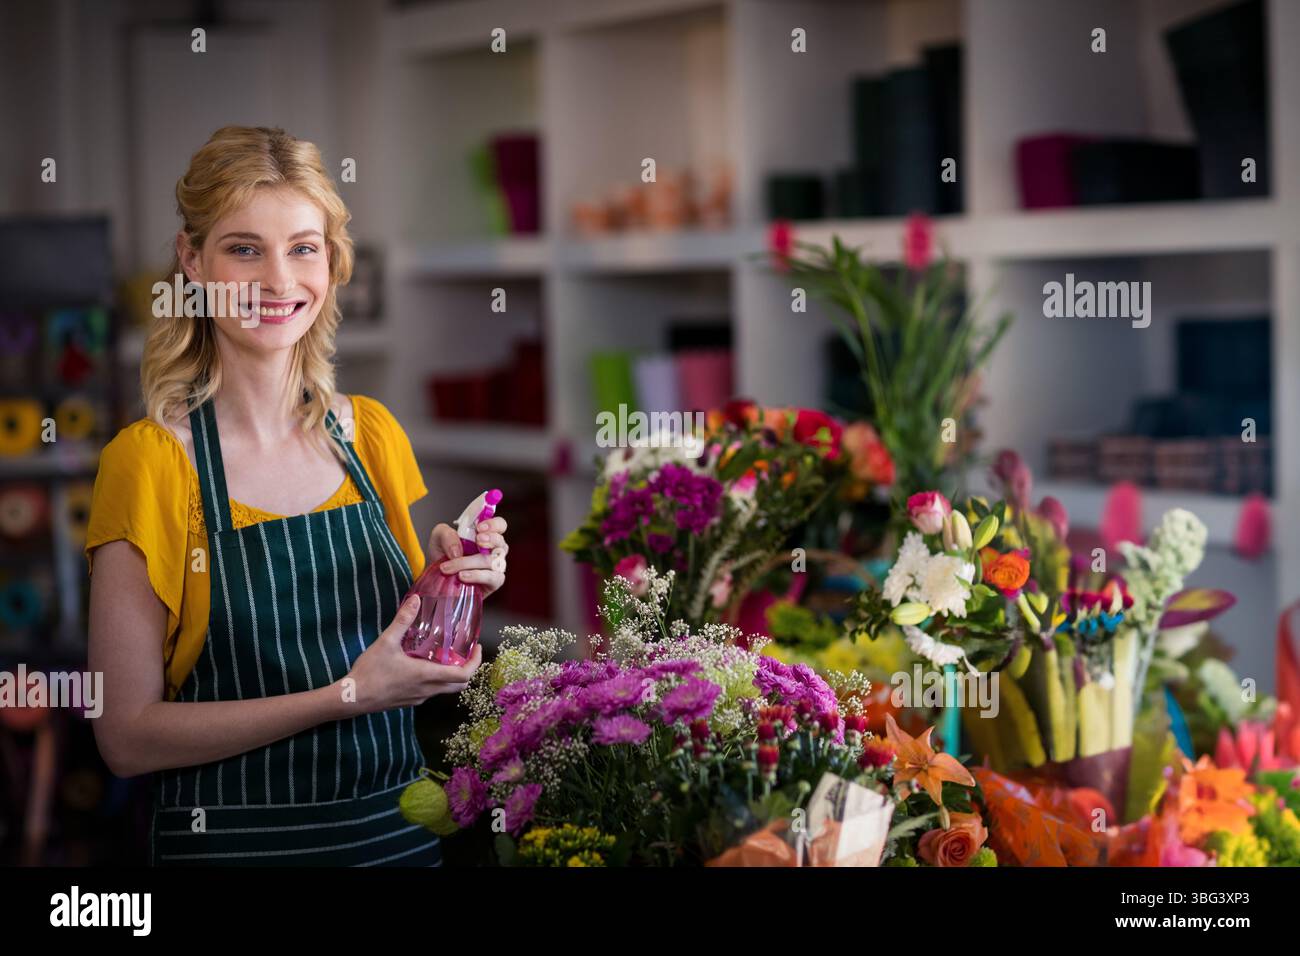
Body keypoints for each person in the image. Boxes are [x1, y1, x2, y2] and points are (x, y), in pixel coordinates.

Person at [84, 126, 508, 866]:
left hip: (397, 844)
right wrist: (347, 694)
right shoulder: (150, 464)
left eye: (303, 247)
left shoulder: (369, 434)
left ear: (331, 261)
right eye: (244, 248)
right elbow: (124, 737)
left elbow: (410, 658)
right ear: (192, 261)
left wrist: (458, 575)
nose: (279, 282)